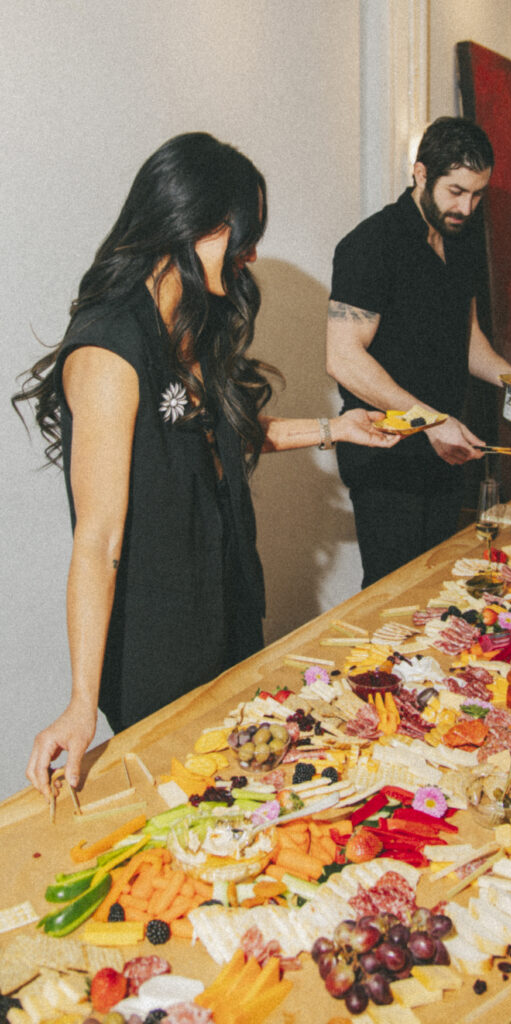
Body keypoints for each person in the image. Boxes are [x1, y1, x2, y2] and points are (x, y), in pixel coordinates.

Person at [13, 132, 399, 799]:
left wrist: (337, 428)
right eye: (241, 236)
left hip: (229, 602)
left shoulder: (197, 318)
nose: (250, 254)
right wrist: (80, 703)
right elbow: (97, 539)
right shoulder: (109, 348)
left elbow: (222, 436)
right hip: (158, 637)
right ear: (189, 228)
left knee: (243, 802)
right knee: (181, 815)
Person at [326, 116, 511, 587]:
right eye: (456, 191)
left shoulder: (461, 240)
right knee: (392, 595)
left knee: (443, 589)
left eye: (478, 193)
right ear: (420, 173)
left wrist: (509, 375)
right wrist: (431, 419)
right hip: (386, 454)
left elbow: (465, 336)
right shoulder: (370, 245)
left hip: (445, 449)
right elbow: (343, 357)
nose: (467, 207)